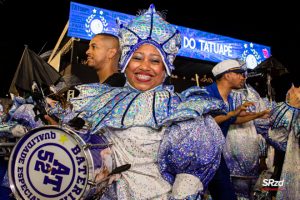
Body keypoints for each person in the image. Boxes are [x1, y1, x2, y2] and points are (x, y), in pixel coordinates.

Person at [48, 4, 226, 199]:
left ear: (166, 67)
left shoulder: (183, 114)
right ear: (125, 61)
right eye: (137, 57)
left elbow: (187, 185)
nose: (144, 67)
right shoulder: (98, 100)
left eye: (155, 61)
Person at [202, 59, 270, 200]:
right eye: (239, 73)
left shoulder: (230, 98)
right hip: (202, 154)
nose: (243, 77)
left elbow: (233, 119)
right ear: (227, 75)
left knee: (224, 193)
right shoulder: (206, 94)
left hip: (217, 155)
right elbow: (205, 122)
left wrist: (257, 115)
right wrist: (232, 113)